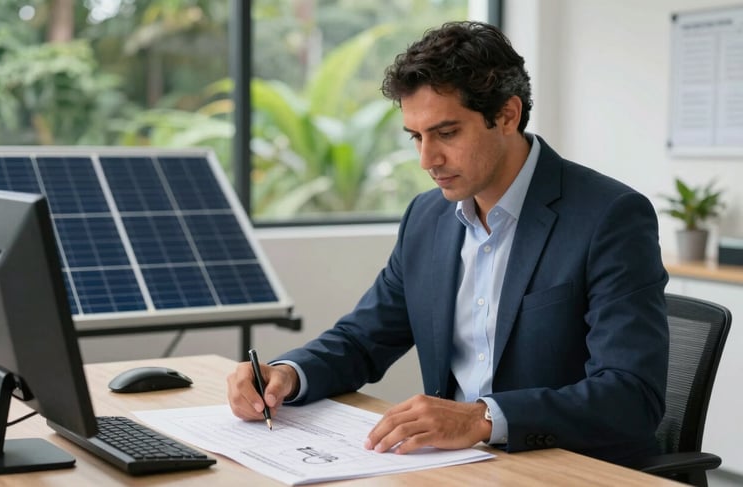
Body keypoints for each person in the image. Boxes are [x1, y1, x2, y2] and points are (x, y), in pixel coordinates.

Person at [227, 20, 668, 467]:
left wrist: (482, 419)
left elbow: (631, 396)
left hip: (567, 468)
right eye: (416, 137)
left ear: (508, 115)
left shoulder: (609, 216)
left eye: (447, 133)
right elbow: (362, 339)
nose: (426, 160)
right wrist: (286, 374)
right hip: (458, 469)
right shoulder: (427, 217)